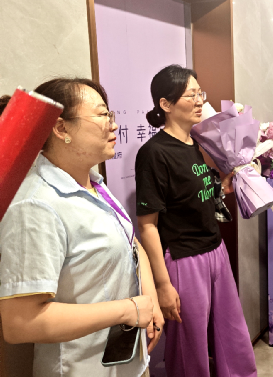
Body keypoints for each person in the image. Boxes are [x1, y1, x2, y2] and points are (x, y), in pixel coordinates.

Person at [0, 78, 164, 377]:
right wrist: (129, 309)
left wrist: (150, 300)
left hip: (127, 362)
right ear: (61, 128)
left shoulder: (93, 183)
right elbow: (20, 322)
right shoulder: (36, 205)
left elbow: (129, 242)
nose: (114, 125)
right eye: (102, 115)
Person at [135, 65, 257, 377]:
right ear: (165, 104)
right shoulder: (154, 153)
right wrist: (163, 285)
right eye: (191, 95)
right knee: (189, 346)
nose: (200, 100)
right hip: (184, 258)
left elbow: (200, 194)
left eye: (199, 93)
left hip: (215, 249)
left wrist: (227, 183)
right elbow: (147, 225)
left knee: (232, 332)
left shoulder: (198, 143)